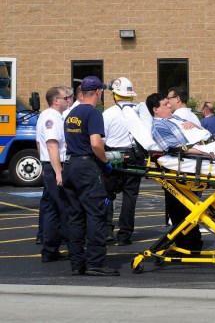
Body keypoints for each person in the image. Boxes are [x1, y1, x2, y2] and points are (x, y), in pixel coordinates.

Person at [62, 76, 119, 276]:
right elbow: (96, 143)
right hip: (87, 167)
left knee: (75, 216)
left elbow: (69, 143)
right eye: (101, 91)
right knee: (96, 214)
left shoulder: (71, 114)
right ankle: (95, 262)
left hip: (69, 165)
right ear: (97, 92)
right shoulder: (93, 113)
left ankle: (77, 263)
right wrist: (105, 162)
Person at [147, 92, 215, 252]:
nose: (170, 105)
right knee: (180, 211)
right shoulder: (159, 126)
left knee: (187, 210)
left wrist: (194, 126)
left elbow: (200, 131)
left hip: (201, 152)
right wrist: (202, 152)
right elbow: (175, 147)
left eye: (168, 103)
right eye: (165, 104)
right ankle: (188, 245)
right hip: (183, 168)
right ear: (155, 110)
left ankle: (193, 244)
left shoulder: (175, 119)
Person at [102, 77, 142, 246]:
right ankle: (125, 234)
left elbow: (101, 140)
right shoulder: (139, 112)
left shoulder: (108, 114)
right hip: (135, 156)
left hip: (113, 157)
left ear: (115, 95)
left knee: (107, 195)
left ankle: (106, 231)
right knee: (130, 196)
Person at [36, 86, 71, 263]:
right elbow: (51, 146)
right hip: (55, 165)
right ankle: (58, 248)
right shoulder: (52, 118)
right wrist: (58, 172)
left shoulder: (50, 116)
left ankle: (50, 250)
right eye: (65, 98)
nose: (68, 100)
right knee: (62, 207)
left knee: (52, 209)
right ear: (56, 100)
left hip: (51, 164)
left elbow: (39, 144)